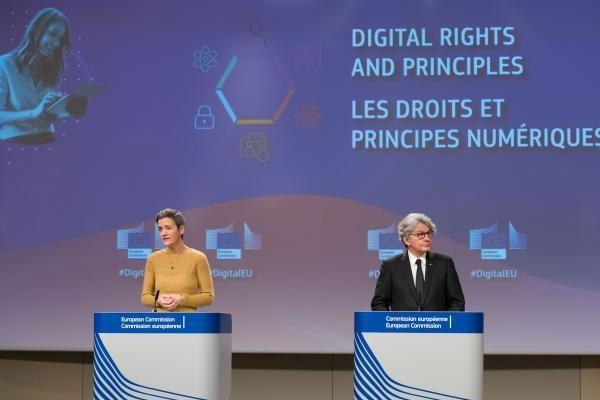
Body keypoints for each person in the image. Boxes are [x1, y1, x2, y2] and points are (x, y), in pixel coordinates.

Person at [0, 8, 70, 144]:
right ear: (37, 30)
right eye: (52, 34)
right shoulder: (4, 64)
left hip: (48, 138)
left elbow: (47, 113)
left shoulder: (52, 66)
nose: (56, 43)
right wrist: (34, 112)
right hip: (16, 140)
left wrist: (64, 109)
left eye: (60, 39)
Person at [371, 213, 465, 311]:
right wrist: (390, 323)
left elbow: (457, 302)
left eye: (429, 233)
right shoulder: (391, 266)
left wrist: (446, 323)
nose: (427, 238)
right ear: (407, 240)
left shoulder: (445, 264)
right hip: (402, 326)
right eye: (420, 234)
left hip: (437, 325)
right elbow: (379, 303)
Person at [141, 208, 214, 312]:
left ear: (181, 230)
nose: (163, 233)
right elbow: (145, 297)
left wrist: (182, 299)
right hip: (159, 323)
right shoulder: (153, 259)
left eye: (168, 228)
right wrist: (157, 300)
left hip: (187, 323)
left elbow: (208, 297)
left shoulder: (198, 258)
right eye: (160, 229)